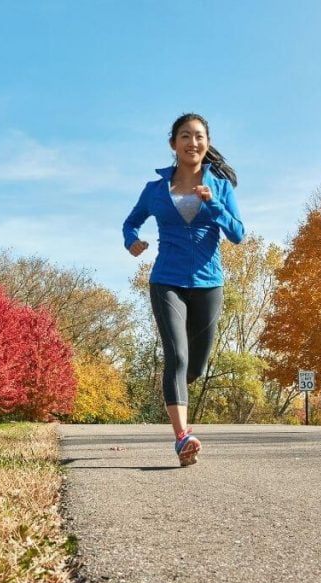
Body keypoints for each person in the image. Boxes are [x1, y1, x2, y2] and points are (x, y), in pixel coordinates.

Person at [122, 113, 245, 467]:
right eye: (185, 136)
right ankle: (182, 437)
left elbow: (238, 234)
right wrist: (132, 240)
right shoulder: (155, 190)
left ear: (207, 143)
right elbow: (130, 221)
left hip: (209, 282)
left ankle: (176, 395)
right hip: (167, 280)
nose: (193, 142)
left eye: (199, 136)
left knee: (195, 366)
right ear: (173, 143)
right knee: (177, 357)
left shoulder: (220, 186)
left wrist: (214, 204)